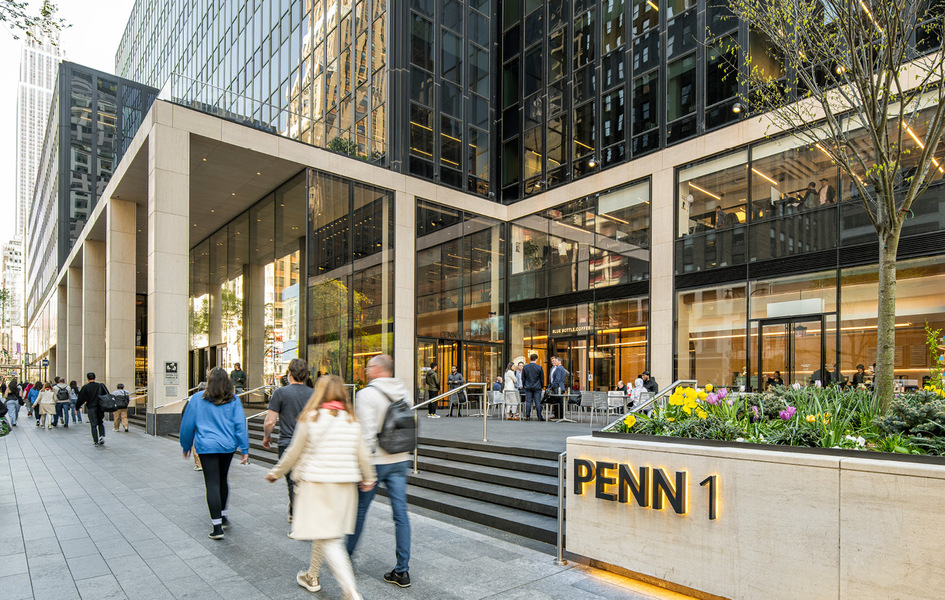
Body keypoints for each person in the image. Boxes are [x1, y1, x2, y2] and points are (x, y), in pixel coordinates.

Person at [266, 375, 376, 599]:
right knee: (325, 532)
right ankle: (312, 576)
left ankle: (350, 590)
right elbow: (363, 454)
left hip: (317, 485)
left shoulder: (311, 418)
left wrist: (276, 472)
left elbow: (294, 452)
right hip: (345, 487)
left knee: (330, 539)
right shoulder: (352, 421)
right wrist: (369, 477)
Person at [346, 354, 413, 588]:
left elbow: (363, 435)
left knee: (360, 511)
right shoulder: (405, 391)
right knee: (400, 514)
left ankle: (344, 560)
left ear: (376, 369)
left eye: (368, 367)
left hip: (375, 460)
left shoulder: (365, 395)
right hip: (401, 458)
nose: (366, 371)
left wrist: (363, 471)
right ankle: (402, 571)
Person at [179, 367, 250, 540]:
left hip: (206, 446)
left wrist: (186, 445)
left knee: (211, 483)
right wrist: (245, 448)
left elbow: (187, 424)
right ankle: (224, 515)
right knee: (223, 480)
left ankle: (217, 527)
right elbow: (240, 424)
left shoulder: (197, 398)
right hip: (227, 446)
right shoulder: (233, 400)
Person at [263, 358, 313, 524]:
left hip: (287, 442)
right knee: (304, 479)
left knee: (292, 481)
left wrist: (267, 436)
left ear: (289, 374)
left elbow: (270, 421)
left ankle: (296, 513)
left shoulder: (281, 393)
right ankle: (298, 510)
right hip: (308, 443)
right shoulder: (313, 394)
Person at [76, 373, 109, 446]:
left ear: (87, 378)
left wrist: (77, 408)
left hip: (91, 407)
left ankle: (95, 440)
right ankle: (101, 436)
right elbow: (106, 395)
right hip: (100, 407)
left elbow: (80, 398)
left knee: (93, 424)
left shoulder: (85, 387)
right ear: (95, 377)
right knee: (100, 422)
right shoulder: (100, 385)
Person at [521, 354, 545, 421]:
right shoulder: (539, 367)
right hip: (537, 387)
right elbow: (542, 378)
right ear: (536, 359)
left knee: (528, 402)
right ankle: (539, 417)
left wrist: (524, 385)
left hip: (528, 387)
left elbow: (523, 378)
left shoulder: (525, 367)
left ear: (530, 359)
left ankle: (527, 416)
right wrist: (542, 386)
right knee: (537, 402)